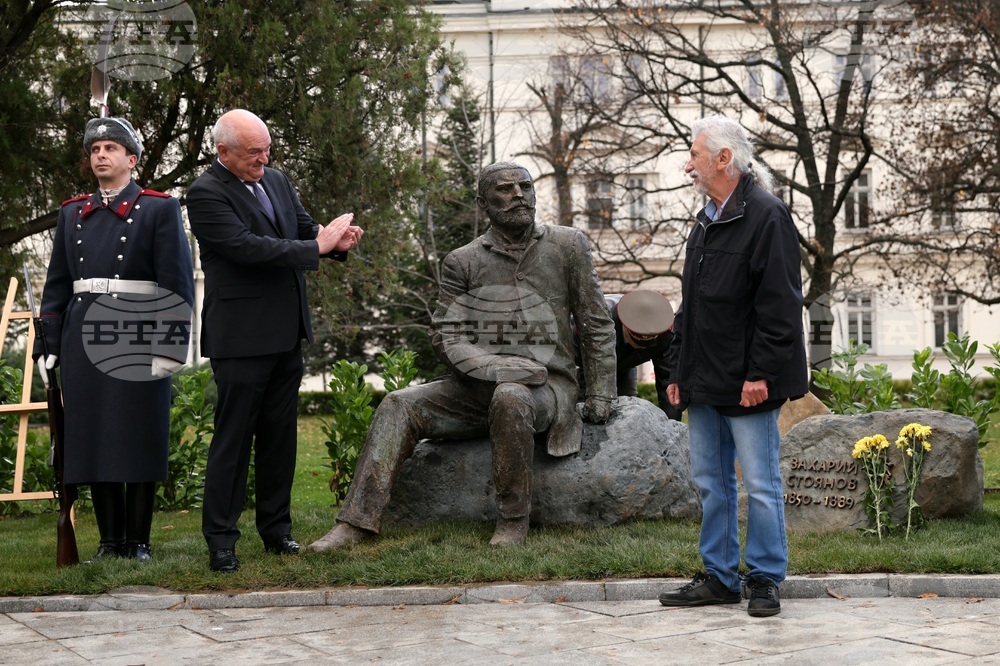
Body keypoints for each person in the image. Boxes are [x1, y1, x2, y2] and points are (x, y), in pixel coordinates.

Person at [308, 161, 616, 551]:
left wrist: (602, 393)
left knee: (511, 397)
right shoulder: (463, 260)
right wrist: (490, 368)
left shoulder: (568, 245)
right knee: (398, 405)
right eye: (505, 189)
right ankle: (355, 522)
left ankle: (513, 520)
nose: (518, 195)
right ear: (483, 202)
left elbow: (595, 321)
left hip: (547, 386)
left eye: (524, 186)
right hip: (476, 386)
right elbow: (446, 334)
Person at [186, 109, 363, 573]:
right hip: (241, 338)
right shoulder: (204, 193)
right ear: (222, 151)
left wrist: (336, 240)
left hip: (286, 334)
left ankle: (277, 531)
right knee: (234, 442)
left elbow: (303, 230)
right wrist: (316, 248)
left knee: (280, 440)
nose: (264, 158)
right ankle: (221, 541)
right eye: (253, 152)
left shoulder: (277, 180)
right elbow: (247, 248)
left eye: (267, 148)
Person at [657, 116, 807, 617]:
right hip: (704, 380)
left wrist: (760, 374)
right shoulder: (704, 220)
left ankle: (764, 577)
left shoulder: (767, 216)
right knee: (711, 483)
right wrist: (676, 371)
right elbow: (691, 307)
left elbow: (781, 308)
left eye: (696, 155)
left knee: (760, 485)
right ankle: (720, 577)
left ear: (725, 159)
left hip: (748, 382)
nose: (689, 164)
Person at [35, 116, 195, 562]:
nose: (100, 155)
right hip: (83, 333)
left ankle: (138, 541)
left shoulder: (160, 208)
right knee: (94, 436)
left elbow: (177, 284)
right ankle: (108, 542)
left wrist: (170, 344)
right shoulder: (72, 213)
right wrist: (47, 346)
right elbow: (57, 286)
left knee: (140, 433)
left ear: (132, 159)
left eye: (110, 148)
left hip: (141, 328)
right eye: (94, 149)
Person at [583, 290, 681, 421]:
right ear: (626, 328)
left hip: (625, 364)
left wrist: (672, 428)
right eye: (637, 342)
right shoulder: (597, 321)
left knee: (626, 411)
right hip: (585, 362)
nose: (642, 346)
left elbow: (667, 383)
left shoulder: (665, 335)